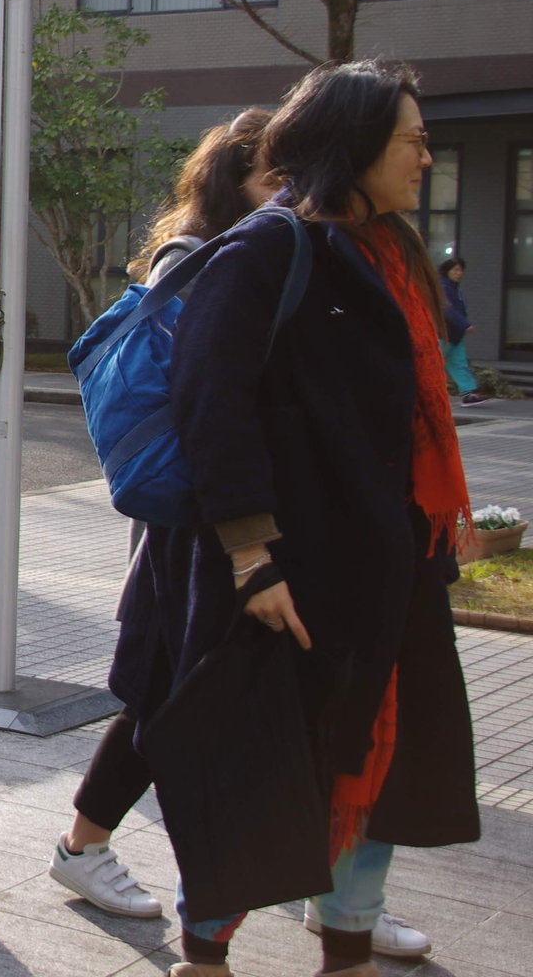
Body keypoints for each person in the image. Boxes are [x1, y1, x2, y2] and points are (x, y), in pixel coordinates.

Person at [113, 60, 479, 977]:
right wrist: (252, 560)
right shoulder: (268, 250)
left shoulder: (391, 253)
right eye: (411, 141)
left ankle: (348, 948)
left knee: (374, 765)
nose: (426, 158)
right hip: (284, 581)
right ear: (352, 145)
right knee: (259, 774)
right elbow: (211, 406)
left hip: (382, 573)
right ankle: (207, 956)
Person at [48, 107, 275, 921]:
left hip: (208, 513)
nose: (285, 192)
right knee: (162, 694)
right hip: (191, 519)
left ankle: (322, 881)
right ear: (232, 182)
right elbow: (209, 399)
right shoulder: (206, 259)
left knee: (171, 693)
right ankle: (84, 845)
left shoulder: (245, 255)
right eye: (270, 177)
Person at [439, 257, 482, 405]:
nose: (459, 273)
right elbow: (447, 309)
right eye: (455, 270)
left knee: (459, 363)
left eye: (461, 270)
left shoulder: (453, 288)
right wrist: (464, 324)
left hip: (454, 335)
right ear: (447, 271)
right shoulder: (444, 287)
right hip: (444, 334)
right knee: (433, 364)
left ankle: (469, 393)